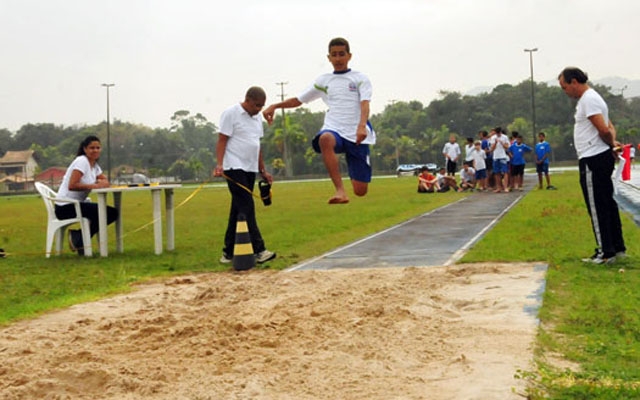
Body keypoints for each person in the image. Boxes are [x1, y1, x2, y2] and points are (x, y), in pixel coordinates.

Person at [262, 37, 374, 204]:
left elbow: (365, 104)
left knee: (360, 190)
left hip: (357, 133)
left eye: (341, 54)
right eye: (334, 55)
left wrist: (361, 126)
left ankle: (354, 172)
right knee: (325, 139)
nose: (338, 59)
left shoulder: (360, 79)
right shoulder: (324, 81)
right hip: (334, 127)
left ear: (349, 56)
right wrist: (275, 106)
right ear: (328, 57)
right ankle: (340, 191)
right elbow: (298, 100)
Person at [559, 66, 626, 264]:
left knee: (597, 206)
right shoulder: (593, 99)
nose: (565, 92)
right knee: (607, 202)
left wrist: (611, 144)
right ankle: (617, 247)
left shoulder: (588, 100)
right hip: (598, 155)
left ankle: (605, 252)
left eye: (565, 87)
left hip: (593, 158)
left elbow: (604, 130)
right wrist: (612, 144)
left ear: (574, 82)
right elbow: (609, 126)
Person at [214, 86, 276, 265]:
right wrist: (219, 165)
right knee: (247, 206)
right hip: (234, 166)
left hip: (250, 168)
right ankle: (259, 249)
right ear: (247, 100)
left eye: (262, 106)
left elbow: (256, 146)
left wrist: (263, 170)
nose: (259, 109)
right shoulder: (231, 114)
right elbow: (222, 141)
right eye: (256, 105)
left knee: (238, 209)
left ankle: (228, 252)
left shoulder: (257, 119)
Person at [55, 135, 118, 255]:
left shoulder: (94, 165)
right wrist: (94, 186)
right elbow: (72, 185)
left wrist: (101, 183)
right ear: (85, 149)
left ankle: (79, 238)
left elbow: (105, 181)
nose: (95, 150)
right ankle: (80, 239)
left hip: (77, 205)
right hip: (66, 207)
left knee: (110, 213)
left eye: (98, 148)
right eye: (92, 148)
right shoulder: (82, 161)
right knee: (109, 213)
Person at [489, 127, 510, 192]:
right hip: (495, 157)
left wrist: (502, 143)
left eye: (499, 133)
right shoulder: (493, 138)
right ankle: (499, 187)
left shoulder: (505, 137)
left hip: (503, 156)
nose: (498, 134)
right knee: (497, 172)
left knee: (505, 172)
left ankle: (505, 187)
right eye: (497, 133)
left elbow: (507, 147)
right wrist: (495, 143)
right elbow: (491, 149)